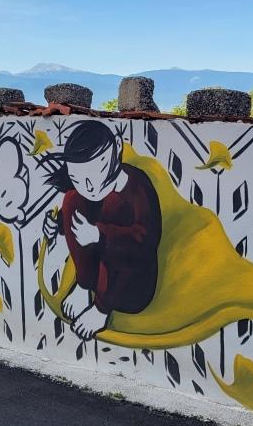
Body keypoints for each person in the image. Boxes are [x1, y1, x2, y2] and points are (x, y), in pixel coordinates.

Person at [41, 121, 162, 341]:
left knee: (113, 211)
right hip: (95, 272)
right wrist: (58, 225)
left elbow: (145, 242)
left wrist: (101, 235)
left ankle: (100, 310)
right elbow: (86, 211)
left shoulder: (137, 188)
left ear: (118, 146)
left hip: (132, 286)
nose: (89, 187)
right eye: (77, 179)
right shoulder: (86, 192)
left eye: (95, 172)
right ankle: (84, 284)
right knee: (72, 198)